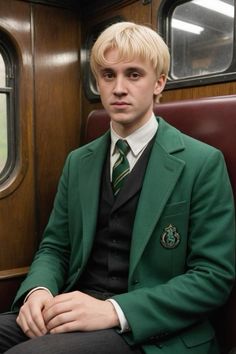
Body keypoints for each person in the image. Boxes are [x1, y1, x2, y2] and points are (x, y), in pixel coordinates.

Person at [0, 21, 235, 354]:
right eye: (108, 75)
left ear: (159, 83)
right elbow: (55, 248)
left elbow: (213, 277)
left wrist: (113, 310)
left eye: (134, 75)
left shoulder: (202, 163)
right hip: (76, 308)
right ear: (98, 82)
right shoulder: (78, 161)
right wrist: (38, 290)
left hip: (150, 330)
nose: (119, 88)